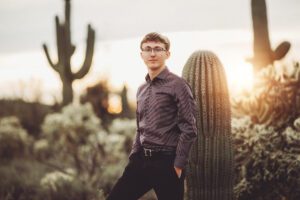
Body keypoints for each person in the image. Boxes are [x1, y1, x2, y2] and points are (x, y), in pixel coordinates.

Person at [107, 32, 197, 200]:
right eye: (147, 49)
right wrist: (134, 155)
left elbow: (189, 128)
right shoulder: (141, 89)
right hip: (140, 162)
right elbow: (140, 128)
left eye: (158, 49)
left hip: (167, 162)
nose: (153, 53)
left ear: (167, 54)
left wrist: (178, 165)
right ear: (142, 55)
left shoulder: (178, 85)